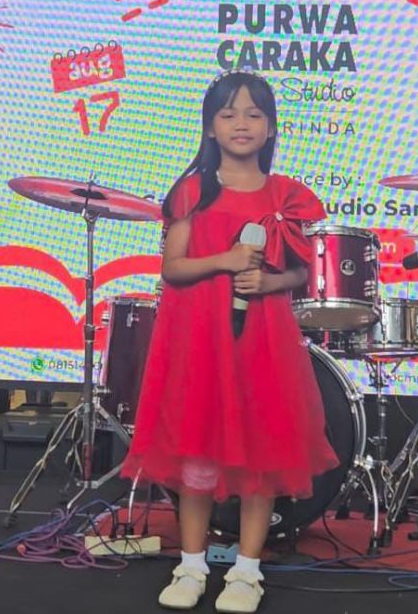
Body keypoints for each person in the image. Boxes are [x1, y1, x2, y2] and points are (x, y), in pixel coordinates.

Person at [121, 71, 338, 613]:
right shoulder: (192, 190)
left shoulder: (286, 195)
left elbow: (302, 273)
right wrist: (225, 260)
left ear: (271, 128)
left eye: (254, 114)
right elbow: (172, 268)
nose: (242, 124)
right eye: (228, 114)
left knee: (260, 451)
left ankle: (246, 572)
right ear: (210, 128)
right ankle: (191, 565)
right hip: (198, 339)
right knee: (197, 450)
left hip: (263, 342)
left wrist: (269, 282)